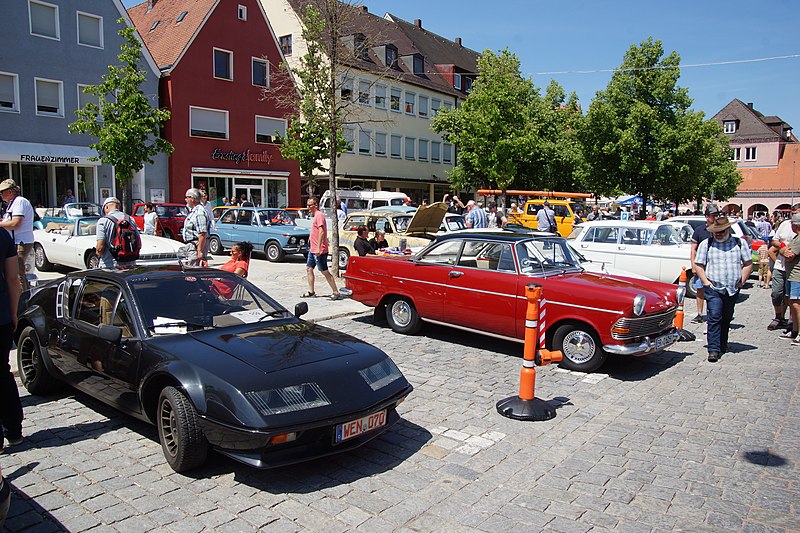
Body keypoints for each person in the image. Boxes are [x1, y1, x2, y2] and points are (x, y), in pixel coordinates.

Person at [694, 216, 753, 362]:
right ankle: (713, 349)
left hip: (732, 288)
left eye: (721, 231)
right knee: (714, 316)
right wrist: (706, 282)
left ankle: (722, 344)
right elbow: (699, 265)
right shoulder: (706, 244)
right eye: (716, 231)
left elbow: (748, 263)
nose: (718, 234)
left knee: (726, 317)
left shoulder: (739, 243)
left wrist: (742, 281)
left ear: (728, 229)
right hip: (714, 287)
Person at [0, 227, 22, 452]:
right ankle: (13, 430)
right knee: (2, 373)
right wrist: (14, 311)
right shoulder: (2, 234)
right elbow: (13, 278)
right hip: (2, 316)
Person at [768, 203, 800, 331]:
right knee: (777, 293)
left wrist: (786, 252)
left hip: (794, 268)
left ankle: (793, 322)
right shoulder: (785, 225)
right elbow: (774, 241)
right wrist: (782, 248)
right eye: (794, 213)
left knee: (792, 298)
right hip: (781, 266)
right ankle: (779, 317)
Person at [302, 197, 340, 300]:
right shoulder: (315, 216)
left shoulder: (319, 215)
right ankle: (311, 291)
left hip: (320, 250)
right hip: (312, 249)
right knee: (309, 269)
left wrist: (318, 248)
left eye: (310, 205)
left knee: (324, 271)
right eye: (307, 205)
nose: (308, 207)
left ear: (315, 206)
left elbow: (321, 231)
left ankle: (336, 292)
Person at [0, 179, 35, 291]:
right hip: (17, 241)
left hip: (21, 242)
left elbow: (15, 223)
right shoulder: (13, 203)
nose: (0, 195)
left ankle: (23, 301)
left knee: (17, 273)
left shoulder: (20, 202)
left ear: (10, 192)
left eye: (2, 192)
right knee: (16, 272)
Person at [689, 205, 721, 324]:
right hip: (702, 265)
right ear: (707, 217)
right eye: (713, 215)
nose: (715, 217)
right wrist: (693, 265)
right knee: (700, 289)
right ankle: (699, 314)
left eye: (717, 215)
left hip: (715, 265)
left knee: (713, 290)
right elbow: (693, 249)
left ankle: (713, 313)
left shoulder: (720, 229)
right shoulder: (700, 230)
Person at [96, 197, 140, 268]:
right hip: (130, 265)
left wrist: (98, 254)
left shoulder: (103, 221)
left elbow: (100, 248)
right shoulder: (130, 219)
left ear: (106, 207)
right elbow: (138, 243)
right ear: (118, 207)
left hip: (110, 265)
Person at [182, 188, 210, 267]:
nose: (185, 199)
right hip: (192, 246)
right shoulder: (194, 211)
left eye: (187, 197)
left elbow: (202, 233)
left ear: (192, 199)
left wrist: (199, 251)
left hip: (195, 247)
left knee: (194, 273)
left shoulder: (199, 212)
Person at [783, 213, 800, 344]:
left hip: (797, 276)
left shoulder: (799, 239)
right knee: (791, 302)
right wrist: (784, 250)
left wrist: (783, 250)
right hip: (791, 275)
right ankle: (795, 330)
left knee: (796, 304)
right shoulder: (796, 237)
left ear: (795, 225)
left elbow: (789, 255)